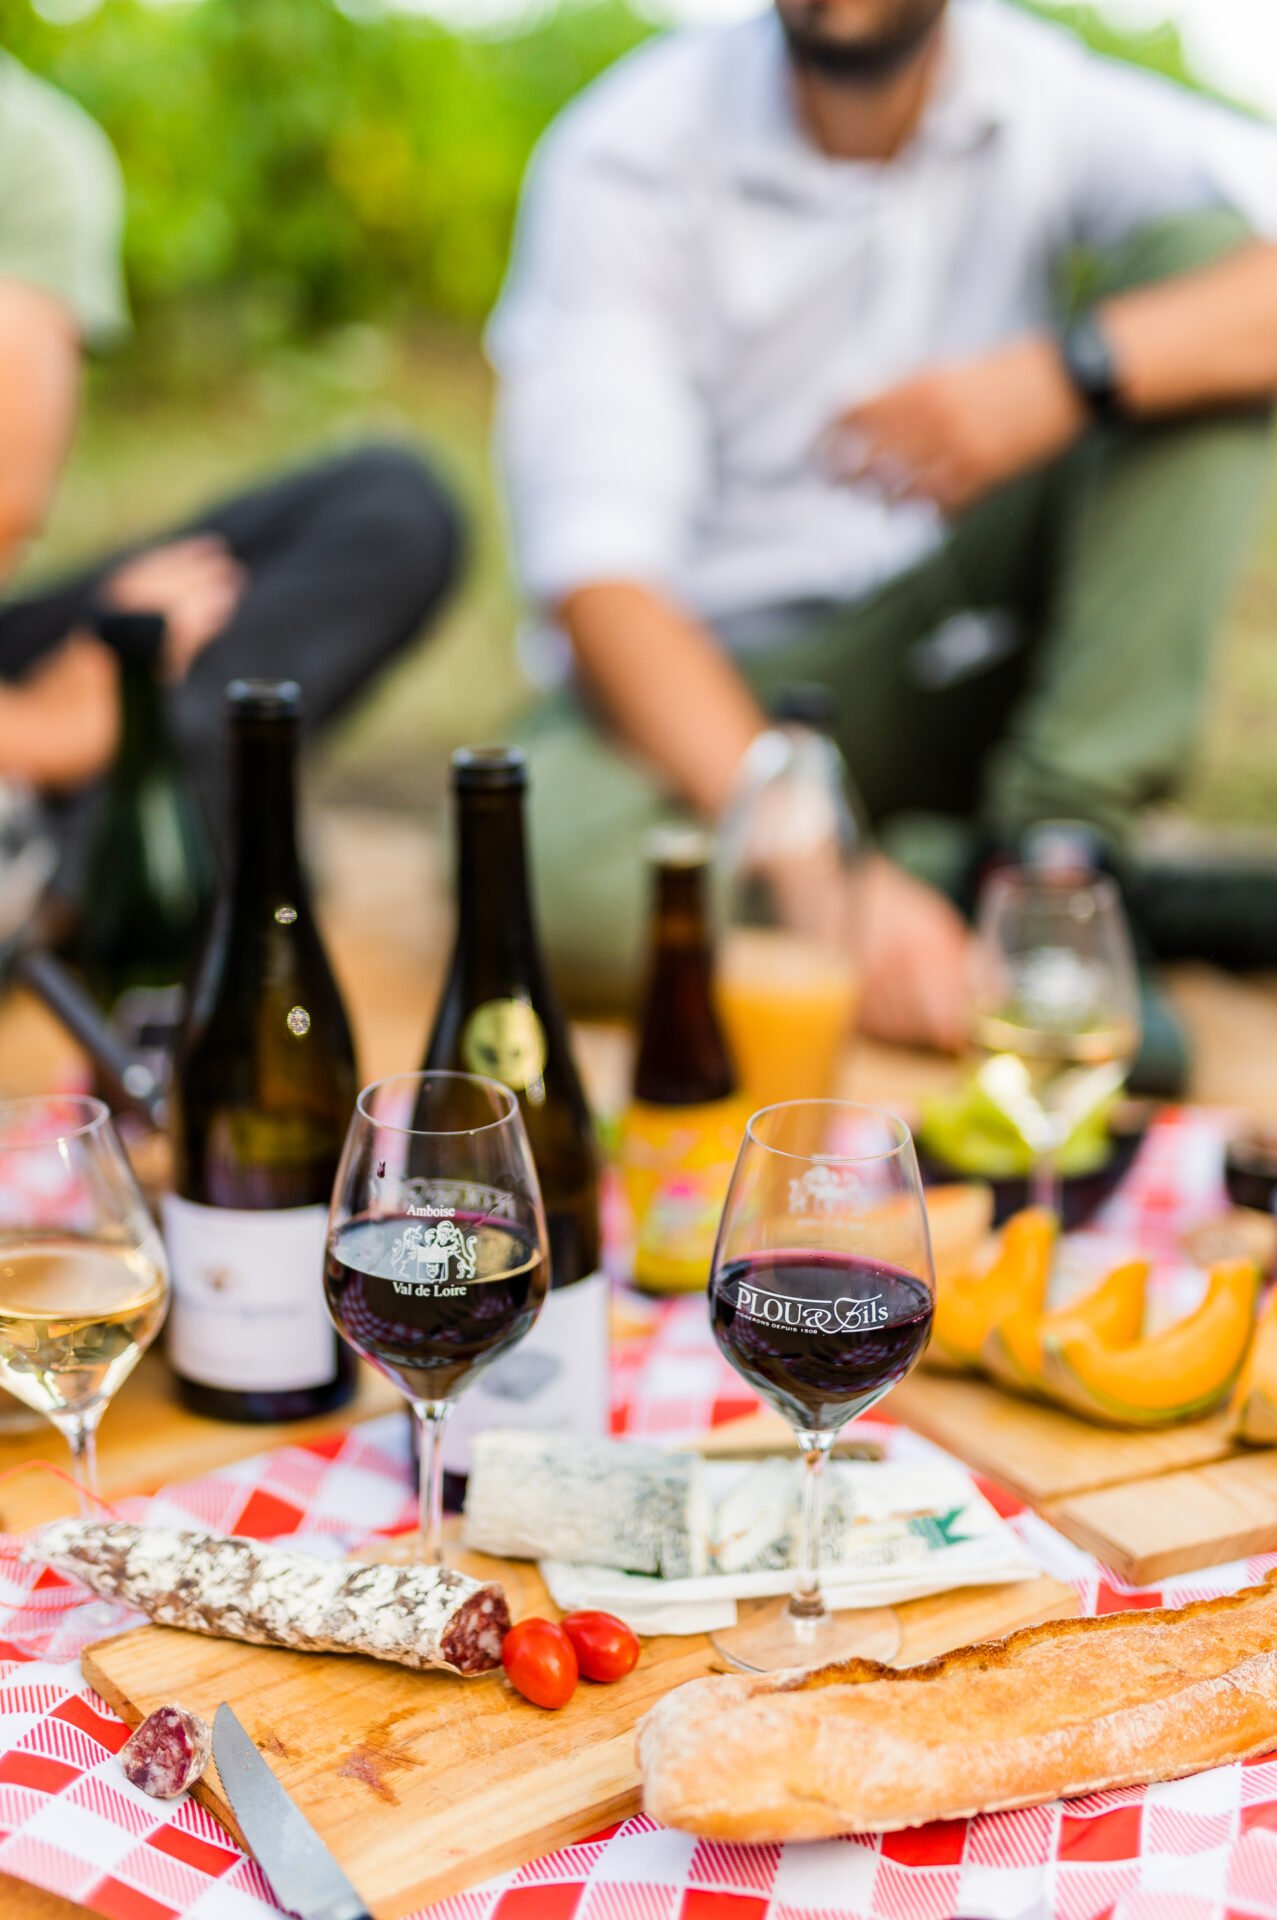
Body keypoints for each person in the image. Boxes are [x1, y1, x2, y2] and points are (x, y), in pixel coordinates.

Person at [490, 0, 1277, 1083]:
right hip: (729, 689)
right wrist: (825, 879)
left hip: (967, 633)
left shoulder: (1044, 95)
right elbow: (601, 583)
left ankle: (1057, 865)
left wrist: (1064, 375)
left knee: (1211, 280)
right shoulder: (626, 157)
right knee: (539, 878)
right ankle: (1004, 888)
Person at [0, 51, 462, 857]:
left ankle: (92, 866)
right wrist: (43, 729)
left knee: (390, 507)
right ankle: (105, 867)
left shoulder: (23, 146)